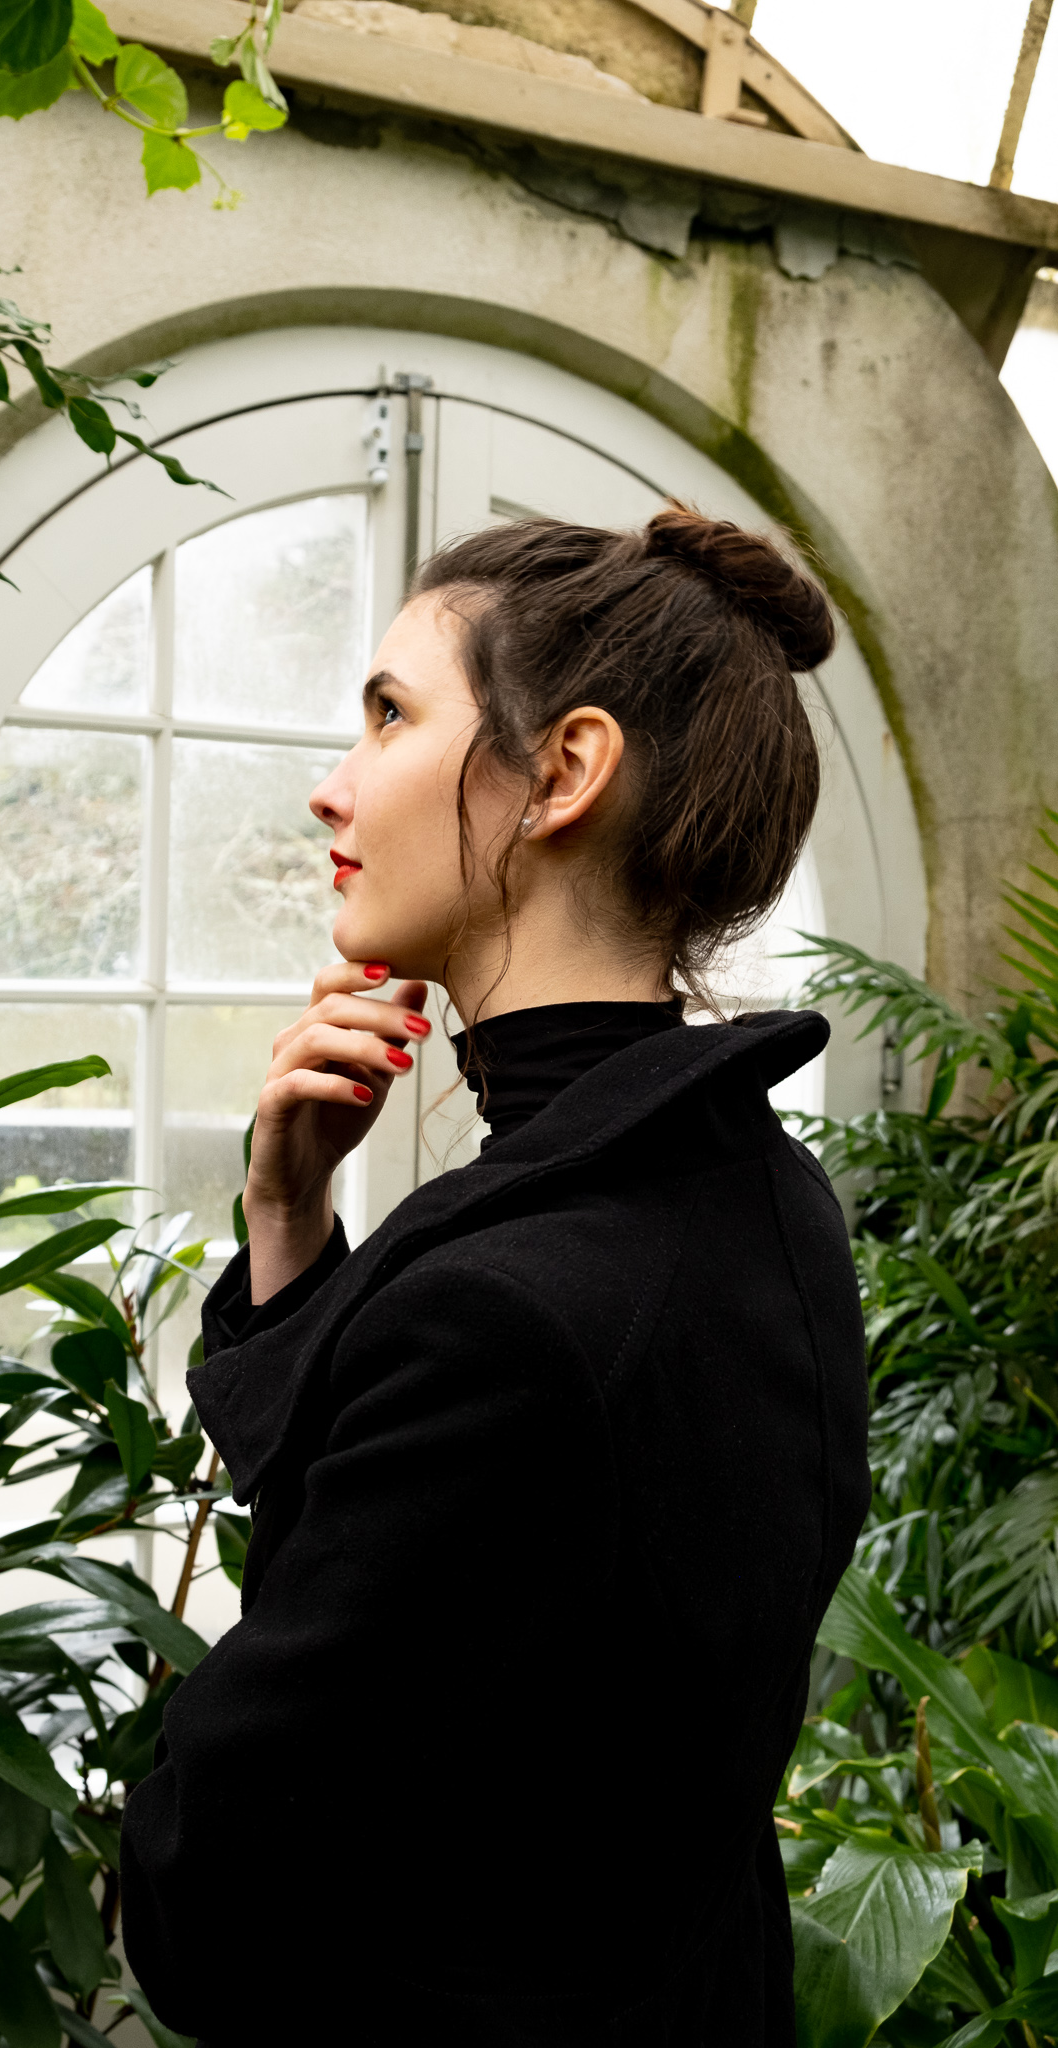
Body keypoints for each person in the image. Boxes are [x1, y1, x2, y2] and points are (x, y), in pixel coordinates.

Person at [120, 510, 870, 2046]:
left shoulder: (511, 1309)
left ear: (563, 774)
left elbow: (216, 1895)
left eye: (390, 714)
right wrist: (287, 1216)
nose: (333, 783)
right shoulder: (760, 1197)